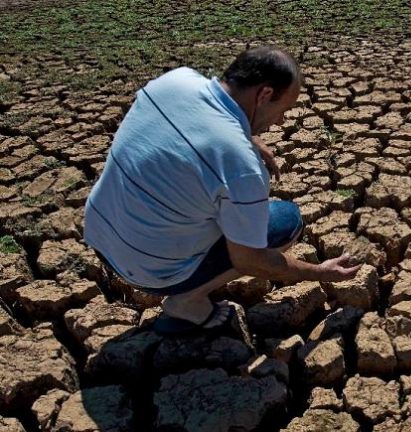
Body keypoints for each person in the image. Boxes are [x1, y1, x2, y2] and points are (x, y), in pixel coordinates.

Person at [83, 46, 361, 335]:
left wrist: (246, 137)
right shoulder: (241, 164)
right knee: (285, 221)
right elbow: (249, 260)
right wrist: (320, 272)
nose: (280, 122)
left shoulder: (174, 81)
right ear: (264, 95)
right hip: (148, 271)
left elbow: (189, 126)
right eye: (283, 110)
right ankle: (187, 301)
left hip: (99, 235)